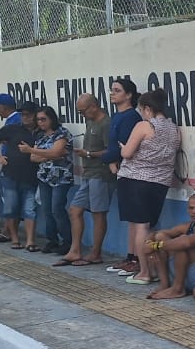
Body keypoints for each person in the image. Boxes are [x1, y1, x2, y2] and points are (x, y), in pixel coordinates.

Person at [115, 88, 181, 284]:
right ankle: (150, 268)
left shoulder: (144, 126)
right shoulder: (174, 129)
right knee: (148, 226)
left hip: (135, 180)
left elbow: (127, 153)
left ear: (147, 108)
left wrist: (122, 147)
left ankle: (144, 271)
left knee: (139, 226)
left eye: (142, 110)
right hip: (160, 183)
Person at [140, 192, 195, 300]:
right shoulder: (189, 225)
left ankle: (178, 289)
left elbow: (187, 243)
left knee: (181, 244)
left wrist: (155, 246)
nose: (194, 212)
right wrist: (148, 242)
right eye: (191, 208)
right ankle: (164, 284)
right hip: (186, 275)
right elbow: (157, 234)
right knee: (161, 236)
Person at [59, 93, 113, 266]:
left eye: (83, 111)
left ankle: (96, 253)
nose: (82, 115)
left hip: (101, 174)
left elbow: (111, 151)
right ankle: (75, 250)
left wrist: (88, 154)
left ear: (94, 107)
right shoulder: (90, 121)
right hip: (88, 173)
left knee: (98, 213)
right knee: (75, 210)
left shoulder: (106, 124)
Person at [102, 78, 143, 276]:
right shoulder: (117, 116)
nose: (113, 93)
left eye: (117, 90)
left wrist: (112, 160)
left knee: (137, 219)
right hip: (120, 171)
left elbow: (124, 145)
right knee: (130, 219)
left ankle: (136, 259)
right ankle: (130, 256)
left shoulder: (130, 118)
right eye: (112, 90)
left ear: (128, 95)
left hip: (130, 171)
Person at [21, 105, 73, 255]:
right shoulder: (40, 136)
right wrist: (48, 154)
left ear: (52, 118)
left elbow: (56, 152)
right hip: (44, 176)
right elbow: (34, 158)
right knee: (47, 209)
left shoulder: (62, 133)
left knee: (57, 208)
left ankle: (67, 241)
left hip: (61, 177)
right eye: (38, 120)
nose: (41, 123)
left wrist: (33, 150)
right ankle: (52, 240)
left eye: (44, 119)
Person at [0, 102, 40, 251]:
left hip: (31, 176)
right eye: (22, 115)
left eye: (28, 115)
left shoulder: (40, 132)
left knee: (30, 209)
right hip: (10, 175)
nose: (25, 118)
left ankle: (30, 241)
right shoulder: (13, 129)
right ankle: (15, 239)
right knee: (11, 208)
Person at [0, 93, 23, 242]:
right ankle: (8, 230)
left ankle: (9, 231)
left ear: (2, 107)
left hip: (11, 165)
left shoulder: (13, 121)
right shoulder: (15, 120)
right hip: (15, 164)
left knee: (10, 199)